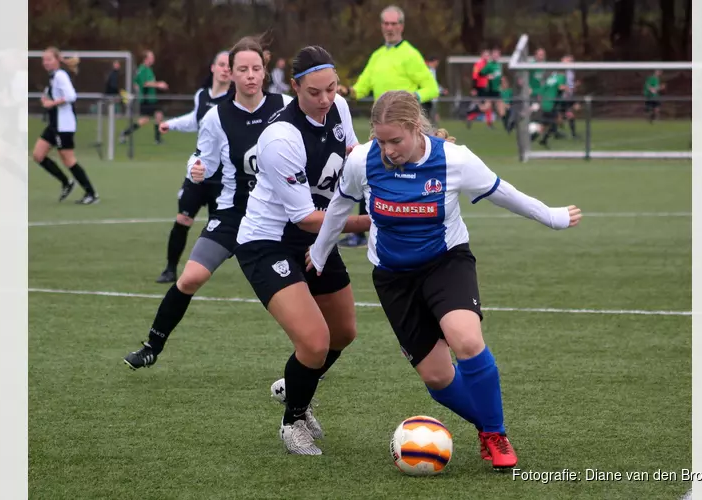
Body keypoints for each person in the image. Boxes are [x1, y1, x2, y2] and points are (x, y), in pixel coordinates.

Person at [307, 90, 582, 469]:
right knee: (437, 378)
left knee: (466, 339)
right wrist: (320, 252)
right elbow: (339, 205)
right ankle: (487, 424)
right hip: (393, 278)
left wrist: (551, 216)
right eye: (381, 140)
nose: (388, 150)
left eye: (396, 141)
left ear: (416, 128)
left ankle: (495, 435)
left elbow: (504, 194)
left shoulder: (455, 160)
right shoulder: (361, 160)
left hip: (445, 264)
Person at [123, 37, 292, 369]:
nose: (250, 76)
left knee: (293, 289)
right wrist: (195, 169)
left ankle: (312, 357)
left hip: (276, 216)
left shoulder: (286, 106)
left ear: (264, 71)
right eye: (242, 69)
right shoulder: (217, 117)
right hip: (232, 214)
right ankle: (151, 346)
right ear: (230, 72)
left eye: (256, 68)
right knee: (189, 279)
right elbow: (204, 159)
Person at [234, 45, 369, 456]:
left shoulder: (339, 108)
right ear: (295, 87)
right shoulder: (280, 138)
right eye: (314, 92)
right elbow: (306, 218)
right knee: (314, 341)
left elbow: (357, 160)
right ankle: (292, 420)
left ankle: (294, 386)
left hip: (315, 235)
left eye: (332, 88)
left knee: (343, 333)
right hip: (268, 241)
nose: (326, 99)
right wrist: (373, 221)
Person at [337, 4, 439, 249]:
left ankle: (420, 225)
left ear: (401, 26)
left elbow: (432, 89)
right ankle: (361, 233)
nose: (390, 28)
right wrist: (347, 91)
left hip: (404, 130)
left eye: (394, 24)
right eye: (386, 24)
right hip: (381, 129)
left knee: (411, 177)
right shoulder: (377, 56)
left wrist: (406, 101)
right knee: (366, 171)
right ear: (382, 27)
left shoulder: (410, 55)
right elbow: (362, 88)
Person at [152, 51, 236, 284]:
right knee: (183, 219)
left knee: (220, 227)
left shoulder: (235, 99)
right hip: (199, 171)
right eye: (221, 64)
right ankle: (170, 269)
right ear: (213, 68)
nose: (225, 69)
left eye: (229, 65)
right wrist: (171, 124)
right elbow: (195, 120)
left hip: (224, 176)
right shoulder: (201, 95)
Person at [32, 47, 99, 205]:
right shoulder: (53, 77)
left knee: (68, 160)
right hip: (55, 124)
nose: (45, 62)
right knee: (38, 155)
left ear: (57, 60)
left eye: (49, 59)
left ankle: (91, 193)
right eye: (44, 60)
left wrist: (51, 103)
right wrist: (46, 99)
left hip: (64, 125)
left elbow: (71, 96)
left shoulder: (61, 75)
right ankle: (66, 182)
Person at [119, 50, 168, 145]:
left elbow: (136, 81)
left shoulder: (148, 69)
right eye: (151, 57)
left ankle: (157, 140)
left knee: (157, 116)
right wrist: (159, 84)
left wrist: (136, 85)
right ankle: (125, 133)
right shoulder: (142, 69)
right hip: (146, 99)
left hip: (151, 98)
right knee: (145, 120)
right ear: (146, 59)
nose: (153, 59)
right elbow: (145, 83)